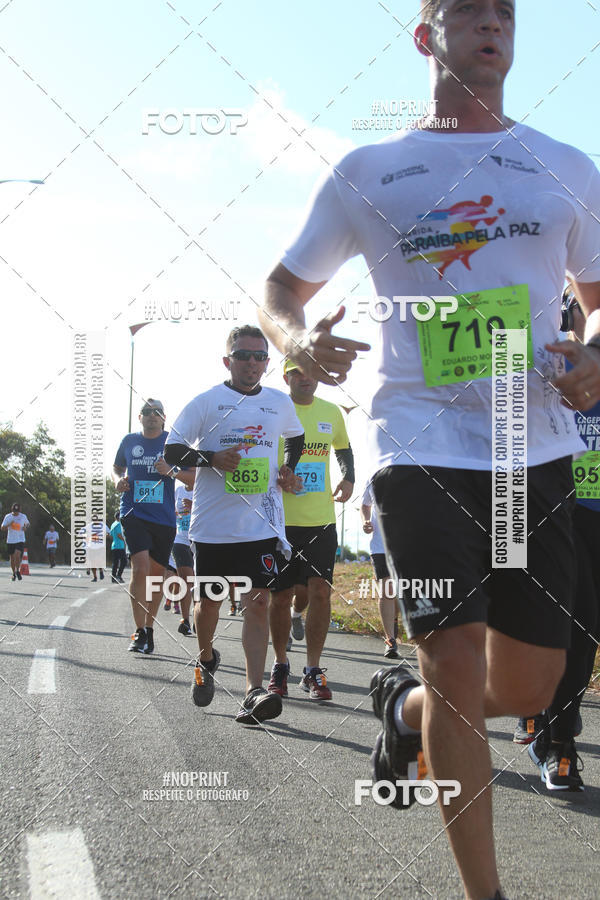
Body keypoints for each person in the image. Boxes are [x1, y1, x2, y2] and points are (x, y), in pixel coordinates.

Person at [258, 2, 600, 897]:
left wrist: (596, 353)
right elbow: (283, 288)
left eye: (505, 12)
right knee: (451, 656)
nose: (492, 23)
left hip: (529, 442)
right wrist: (297, 340)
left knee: (530, 685)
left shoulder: (565, 166)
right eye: (468, 9)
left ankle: (404, 710)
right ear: (426, 36)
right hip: (417, 442)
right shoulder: (369, 170)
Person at [164, 325, 304, 724]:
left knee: (257, 602)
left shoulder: (278, 402)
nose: (252, 363)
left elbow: (296, 437)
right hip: (213, 527)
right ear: (228, 360)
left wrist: (288, 468)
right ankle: (207, 657)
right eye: (243, 355)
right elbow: (172, 450)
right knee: (209, 603)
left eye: (260, 356)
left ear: (267, 362)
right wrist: (211, 458)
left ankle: (253, 691)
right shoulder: (207, 402)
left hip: (261, 525)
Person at [515, 290, 598, 791]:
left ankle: (552, 724)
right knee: (559, 627)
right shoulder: (543, 358)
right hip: (549, 513)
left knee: (585, 633)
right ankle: (556, 738)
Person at [268, 361, 354, 701]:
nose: (305, 379)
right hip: (279, 520)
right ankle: (280, 665)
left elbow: (343, 448)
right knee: (281, 596)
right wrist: (278, 477)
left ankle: (313, 669)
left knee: (320, 592)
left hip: (321, 519)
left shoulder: (331, 412)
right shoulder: (273, 410)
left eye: (311, 372)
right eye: (297, 372)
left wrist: (349, 477)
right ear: (285, 377)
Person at [112, 398, 183, 655]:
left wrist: (171, 471)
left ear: (164, 418)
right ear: (139, 417)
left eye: (157, 412)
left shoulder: (173, 442)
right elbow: (117, 468)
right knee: (140, 568)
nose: (152, 415)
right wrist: (118, 480)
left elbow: (192, 476)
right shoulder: (129, 441)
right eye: (146, 411)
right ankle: (139, 629)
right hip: (133, 512)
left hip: (164, 518)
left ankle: (149, 628)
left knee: (155, 577)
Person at [361, 483, 399, 658]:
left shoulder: (414, 472)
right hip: (380, 546)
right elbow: (365, 505)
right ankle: (390, 640)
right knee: (387, 591)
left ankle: (394, 618)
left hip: (407, 545)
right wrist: (365, 521)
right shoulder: (373, 476)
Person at [172, 471, 196, 635]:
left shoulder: (203, 488)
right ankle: (185, 620)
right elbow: (171, 509)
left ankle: (198, 616)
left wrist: (194, 506)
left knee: (198, 582)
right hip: (180, 540)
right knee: (186, 581)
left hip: (199, 540)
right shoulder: (178, 489)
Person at [1, 503, 29, 581]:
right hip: (11, 540)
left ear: (19, 510)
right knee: (12, 558)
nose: (16, 513)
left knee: (17, 554)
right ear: (12, 510)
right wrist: (9, 524)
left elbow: (28, 524)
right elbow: (2, 528)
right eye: (14, 511)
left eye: (17, 511)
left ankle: (17, 570)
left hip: (20, 539)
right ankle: (14, 573)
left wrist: (25, 527)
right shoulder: (8, 516)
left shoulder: (23, 516)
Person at [110, 513, 127, 583]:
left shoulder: (113, 524)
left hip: (114, 545)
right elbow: (119, 534)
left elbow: (111, 535)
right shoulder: (119, 524)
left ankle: (113, 578)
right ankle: (118, 576)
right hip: (119, 546)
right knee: (124, 561)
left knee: (115, 562)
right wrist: (125, 540)